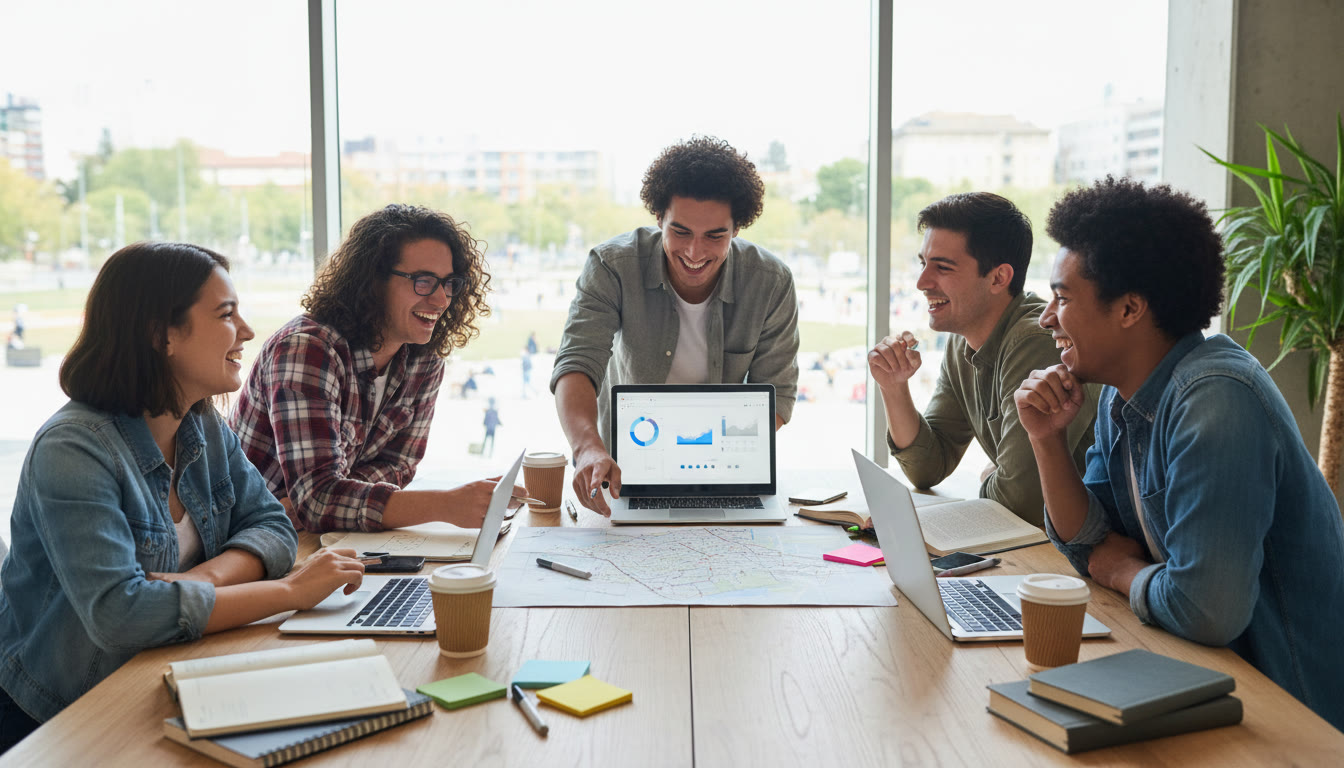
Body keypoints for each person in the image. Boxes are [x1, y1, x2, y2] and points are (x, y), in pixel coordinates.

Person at [0, 242, 365, 751]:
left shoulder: (200, 423)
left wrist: (202, 579)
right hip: (66, 716)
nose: (247, 331)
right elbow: (121, 614)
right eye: (225, 314)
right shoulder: (73, 449)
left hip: (169, 674)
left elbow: (275, 528)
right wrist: (289, 593)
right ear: (161, 334)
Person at [1014, 177, 1344, 730]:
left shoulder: (1216, 400)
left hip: (1290, 712)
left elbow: (1206, 609)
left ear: (1130, 309)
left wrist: (1122, 570)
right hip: (1204, 679)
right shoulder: (1124, 397)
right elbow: (1088, 542)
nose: (1047, 317)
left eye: (1063, 298)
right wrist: (1046, 439)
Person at [230, 204, 525, 532]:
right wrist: (445, 505)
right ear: (373, 281)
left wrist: (327, 499)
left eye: (449, 283)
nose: (442, 300)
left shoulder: (424, 359)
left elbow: (398, 466)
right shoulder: (307, 349)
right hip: (246, 540)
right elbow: (318, 500)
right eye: (423, 281)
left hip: (315, 538)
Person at [551, 136, 800, 515]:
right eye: (680, 232)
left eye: (715, 235)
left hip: (725, 474)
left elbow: (777, 396)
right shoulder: (612, 266)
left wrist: (705, 454)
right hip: (624, 472)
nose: (695, 252)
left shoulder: (771, 281)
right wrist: (587, 447)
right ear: (658, 219)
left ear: (737, 229)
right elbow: (577, 363)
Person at [867, 192, 1098, 524]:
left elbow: (1020, 503)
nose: (921, 283)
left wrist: (993, 478)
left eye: (942, 267)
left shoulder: (1034, 341)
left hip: (1066, 553)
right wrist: (893, 387)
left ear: (998, 278)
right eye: (923, 263)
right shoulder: (963, 342)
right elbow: (926, 469)